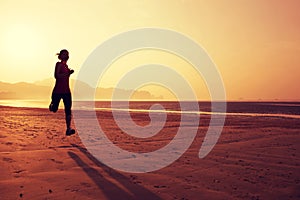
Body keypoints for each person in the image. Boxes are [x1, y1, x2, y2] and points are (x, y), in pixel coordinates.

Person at [49, 49, 75, 136]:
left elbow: (65, 75)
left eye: (67, 54)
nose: (66, 56)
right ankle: (52, 105)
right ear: (60, 55)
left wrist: (69, 72)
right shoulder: (58, 64)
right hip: (58, 91)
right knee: (54, 109)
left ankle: (68, 129)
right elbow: (56, 76)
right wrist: (68, 74)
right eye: (64, 54)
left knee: (68, 110)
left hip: (67, 91)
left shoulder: (66, 66)